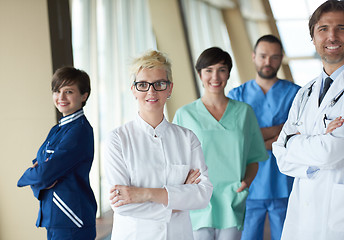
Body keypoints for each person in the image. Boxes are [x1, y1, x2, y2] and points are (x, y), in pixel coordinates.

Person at [103, 50, 213, 240]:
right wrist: (179, 196)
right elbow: (122, 203)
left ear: (169, 89)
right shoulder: (117, 139)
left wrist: (143, 193)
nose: (151, 91)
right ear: (133, 89)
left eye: (159, 84)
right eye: (143, 85)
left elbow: (203, 194)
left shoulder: (187, 139)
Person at [173, 47, 268, 240]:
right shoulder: (185, 115)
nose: (215, 76)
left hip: (231, 199)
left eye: (221, 69)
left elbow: (254, 157)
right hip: (197, 200)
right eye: (208, 70)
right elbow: (174, 160)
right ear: (200, 74)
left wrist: (246, 183)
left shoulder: (244, 113)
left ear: (228, 73)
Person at [272, 1, 344, 239]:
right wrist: (317, 142)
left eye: (341, 28)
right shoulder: (305, 92)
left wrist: (295, 142)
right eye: (323, 29)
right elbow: (280, 154)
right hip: (303, 217)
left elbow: (330, 152)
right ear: (312, 37)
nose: (332, 36)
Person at [228, 35, 300, 240]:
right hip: (249, 182)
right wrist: (279, 132)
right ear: (253, 56)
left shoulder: (296, 94)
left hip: (284, 180)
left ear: (281, 58)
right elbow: (237, 138)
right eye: (263, 56)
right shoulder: (237, 95)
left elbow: (298, 135)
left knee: (286, 236)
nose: (268, 62)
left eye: (274, 57)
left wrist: (253, 138)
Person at [17, 67, 97, 240]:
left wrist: (28, 176)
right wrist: (40, 177)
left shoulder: (79, 131)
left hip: (71, 218)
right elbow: (40, 166)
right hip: (56, 217)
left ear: (84, 95)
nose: (61, 97)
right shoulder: (58, 128)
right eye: (57, 91)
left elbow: (44, 172)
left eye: (68, 91)